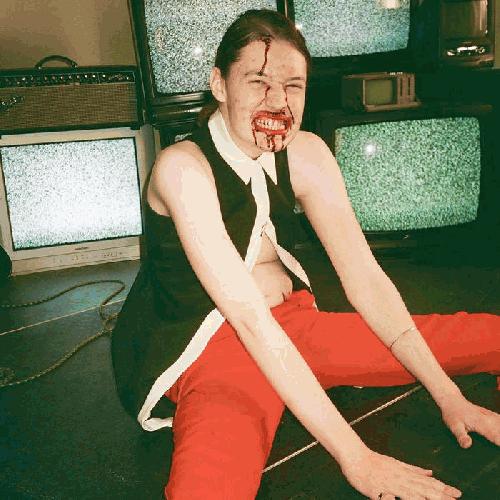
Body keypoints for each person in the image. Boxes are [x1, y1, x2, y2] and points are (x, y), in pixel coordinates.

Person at [111, 9, 500, 500]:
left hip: (294, 325)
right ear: (219, 84)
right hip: (212, 348)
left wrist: (449, 397)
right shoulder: (183, 169)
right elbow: (249, 321)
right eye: (258, 81)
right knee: (209, 488)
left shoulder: (306, 153)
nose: (278, 101)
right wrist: (358, 459)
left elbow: (366, 279)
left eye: (292, 85)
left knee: (475, 338)